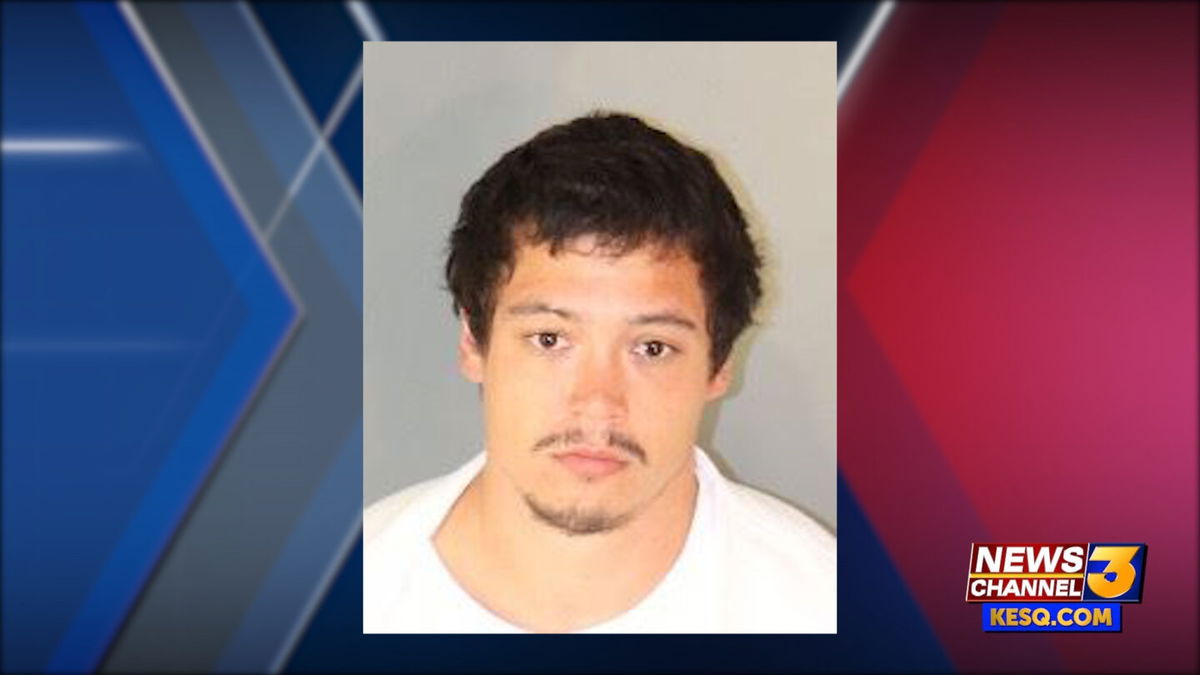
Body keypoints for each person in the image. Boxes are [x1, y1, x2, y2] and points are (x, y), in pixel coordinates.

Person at [364, 112, 835, 633]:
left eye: (652, 348)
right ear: (474, 342)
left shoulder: (822, 604)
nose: (597, 402)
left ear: (719, 365)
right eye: (549, 339)